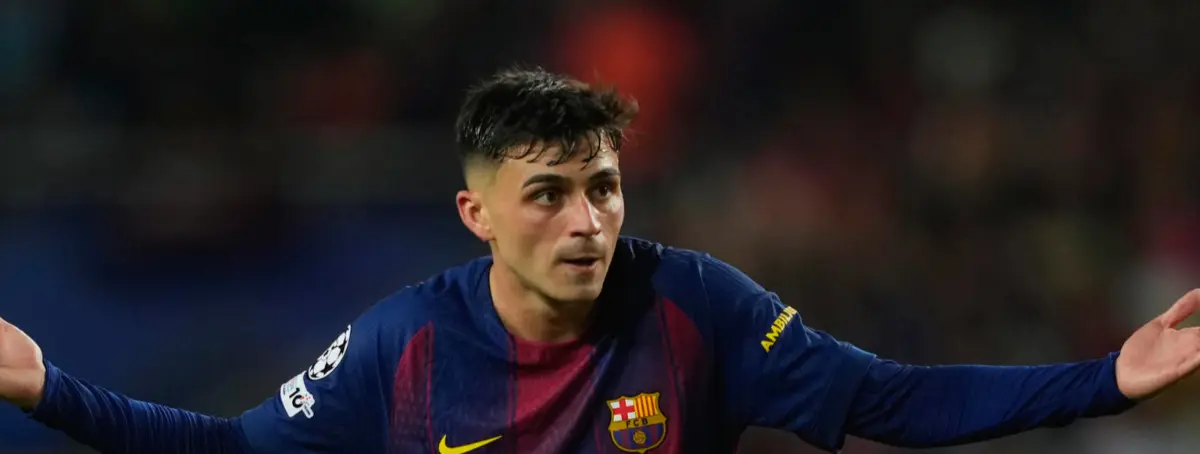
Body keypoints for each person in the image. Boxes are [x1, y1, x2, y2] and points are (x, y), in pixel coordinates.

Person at [1, 67, 1199, 454]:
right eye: (549, 194)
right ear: (476, 214)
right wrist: (48, 387)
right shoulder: (402, 347)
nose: (587, 221)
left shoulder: (697, 305)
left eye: (604, 187)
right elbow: (230, 451)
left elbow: (892, 397)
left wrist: (1105, 377)